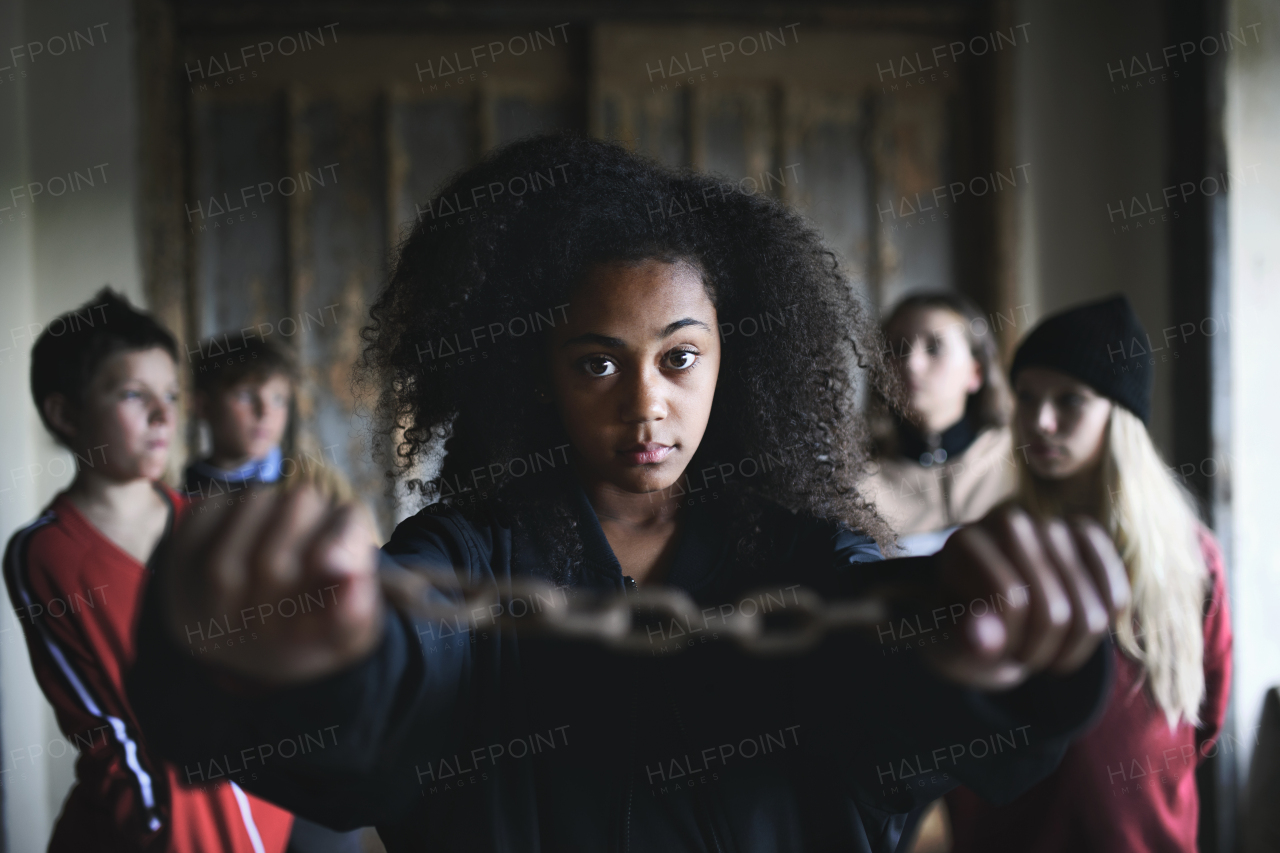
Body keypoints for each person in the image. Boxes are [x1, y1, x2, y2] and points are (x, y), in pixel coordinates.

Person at [126, 135, 1131, 853]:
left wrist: (984, 652)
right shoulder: (469, 555)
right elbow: (402, 679)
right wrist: (317, 655)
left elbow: (892, 701)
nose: (647, 404)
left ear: (732, 361)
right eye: (598, 365)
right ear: (538, 376)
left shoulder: (801, 558)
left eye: (680, 358)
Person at [4, 289, 293, 852]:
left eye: (171, 395)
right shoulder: (45, 554)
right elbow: (102, 725)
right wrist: (157, 828)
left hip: (264, 810)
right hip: (151, 829)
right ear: (65, 413)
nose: (165, 415)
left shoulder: (209, 525)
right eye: (135, 395)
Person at [944, 295, 1233, 852]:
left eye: (1069, 401)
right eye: (1026, 398)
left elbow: (1207, 714)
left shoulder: (1190, 557)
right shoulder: (991, 548)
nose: (1040, 422)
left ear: (1119, 416)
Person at [862, 292, 1017, 557]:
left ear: (975, 372)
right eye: (898, 348)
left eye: (934, 348)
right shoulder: (858, 479)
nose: (912, 364)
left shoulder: (1018, 458)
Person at [185, 335, 296, 501]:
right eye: (246, 396)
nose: (264, 411)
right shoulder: (186, 492)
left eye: (277, 399)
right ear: (204, 407)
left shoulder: (315, 480)